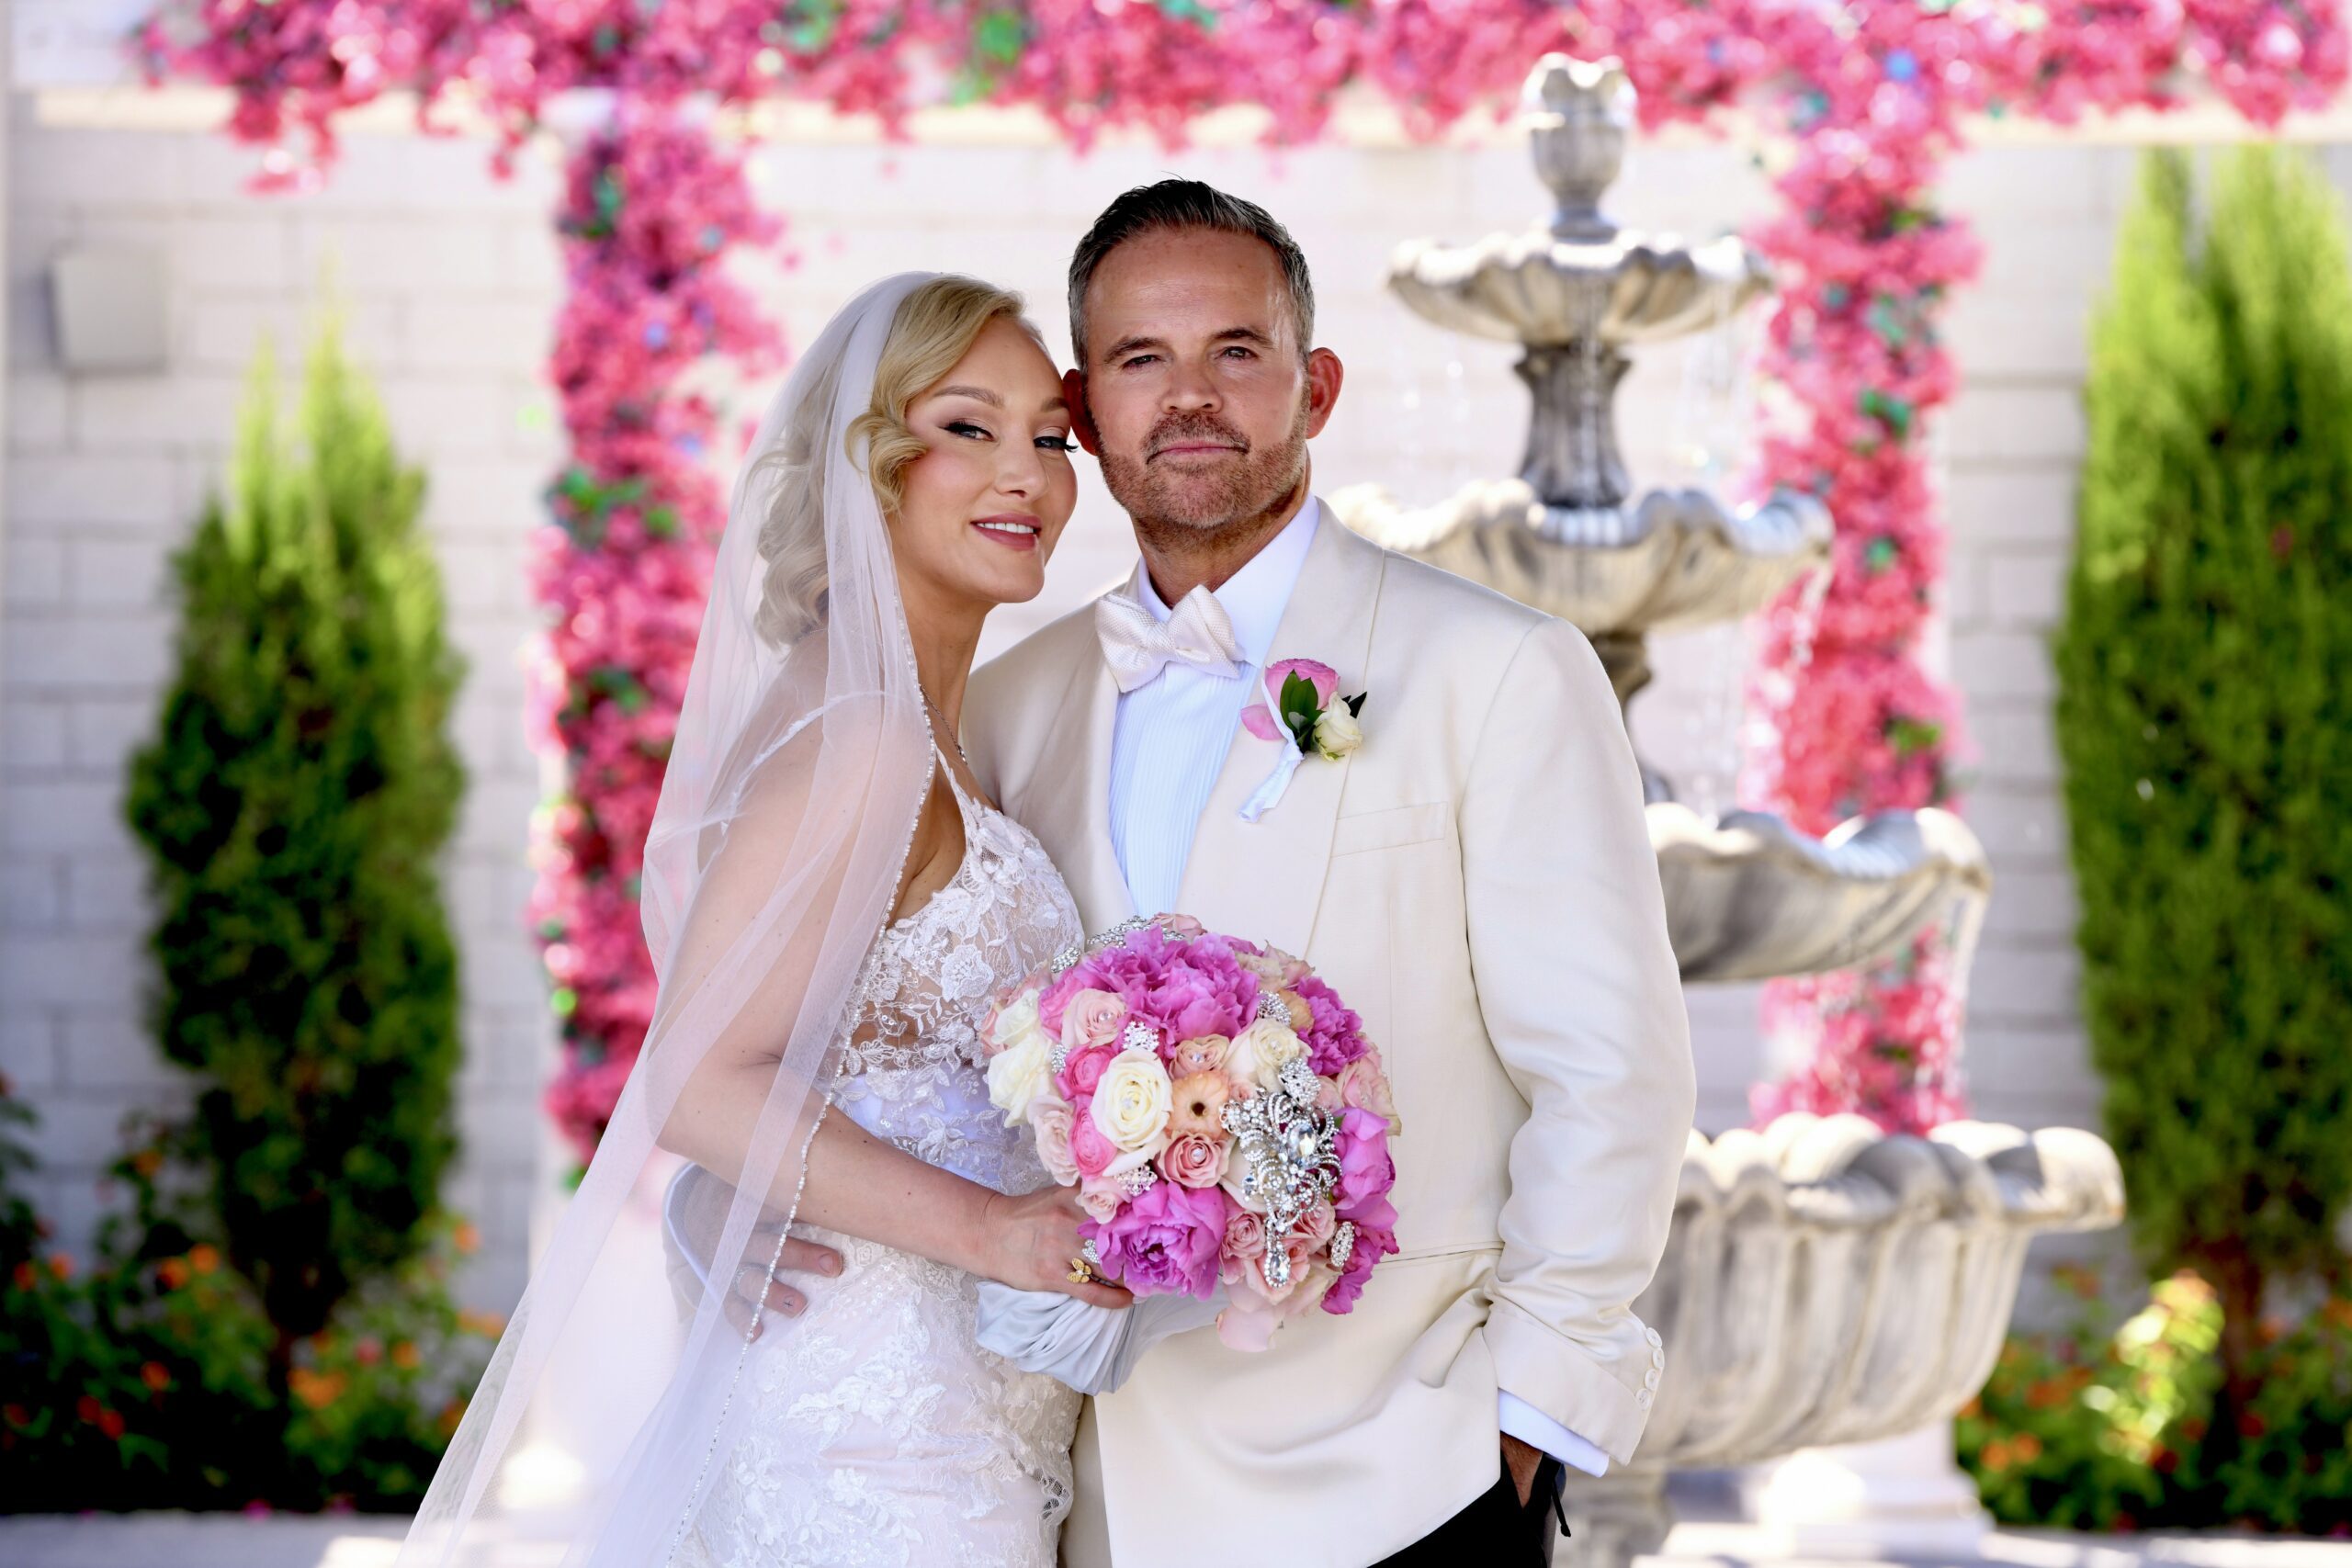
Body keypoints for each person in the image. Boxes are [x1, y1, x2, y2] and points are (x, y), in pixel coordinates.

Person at [957, 180, 1696, 1568]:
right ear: (1082, 403)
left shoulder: (1501, 670)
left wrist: (1526, 1424)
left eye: (1235, 352)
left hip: (1407, 1474)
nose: (1190, 399)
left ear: (1318, 386)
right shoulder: (1012, 705)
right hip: (1094, 1495)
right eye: (1140, 361)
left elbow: (1614, 1073)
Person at [397, 273, 1126, 1568]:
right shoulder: (862, 738)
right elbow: (695, 1077)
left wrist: (715, 1204)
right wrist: (996, 1232)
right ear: (873, 464)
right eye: (968, 426)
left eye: (1051, 437)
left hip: (956, 1420)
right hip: (872, 1450)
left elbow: (820, 1058)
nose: (1026, 473)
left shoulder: (924, 725)